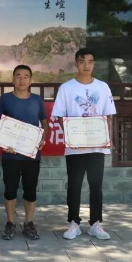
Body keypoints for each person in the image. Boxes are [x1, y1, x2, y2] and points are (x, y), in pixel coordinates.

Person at [51, 48, 116, 240]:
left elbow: (109, 116)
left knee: (96, 185)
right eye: (82, 61)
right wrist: (72, 136)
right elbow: (61, 116)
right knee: (74, 185)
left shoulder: (103, 87)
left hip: (97, 146)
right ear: (76, 63)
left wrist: (106, 139)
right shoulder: (67, 88)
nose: (86, 65)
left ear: (94, 64)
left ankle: (96, 223)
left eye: (90, 61)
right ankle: (74, 223)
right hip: (75, 147)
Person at [0, 65, 48, 240]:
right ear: (13, 79)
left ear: (31, 80)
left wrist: (42, 139)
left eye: (26, 76)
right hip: (10, 155)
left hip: (31, 155)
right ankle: (10, 223)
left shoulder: (37, 100)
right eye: (18, 76)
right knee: (10, 190)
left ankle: (29, 223)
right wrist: (3, 143)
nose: (22, 79)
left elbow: (44, 123)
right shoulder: (5, 99)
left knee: (30, 190)